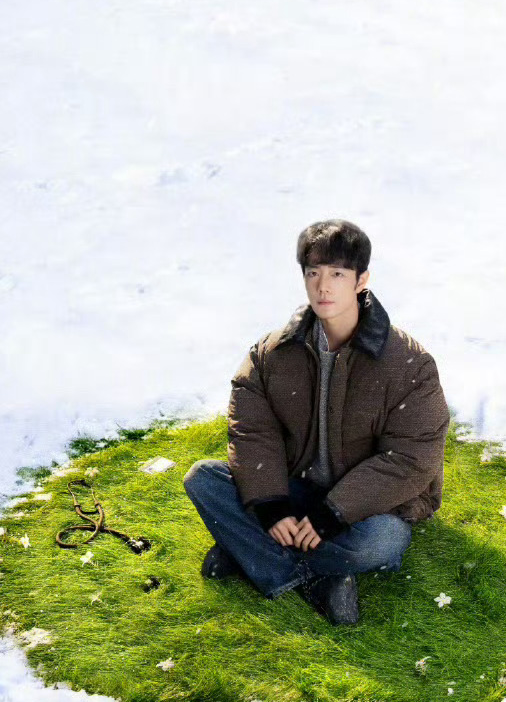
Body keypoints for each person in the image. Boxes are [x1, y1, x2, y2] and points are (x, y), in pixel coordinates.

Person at [183, 219, 450, 626]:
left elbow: (412, 459)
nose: (323, 287)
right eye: (313, 273)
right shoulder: (271, 353)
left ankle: (249, 551)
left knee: (383, 540)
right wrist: (271, 506)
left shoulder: (409, 364)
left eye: (338, 274)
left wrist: (333, 514)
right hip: (296, 488)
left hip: (365, 508)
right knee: (203, 479)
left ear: (361, 280)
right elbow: (253, 432)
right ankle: (318, 579)